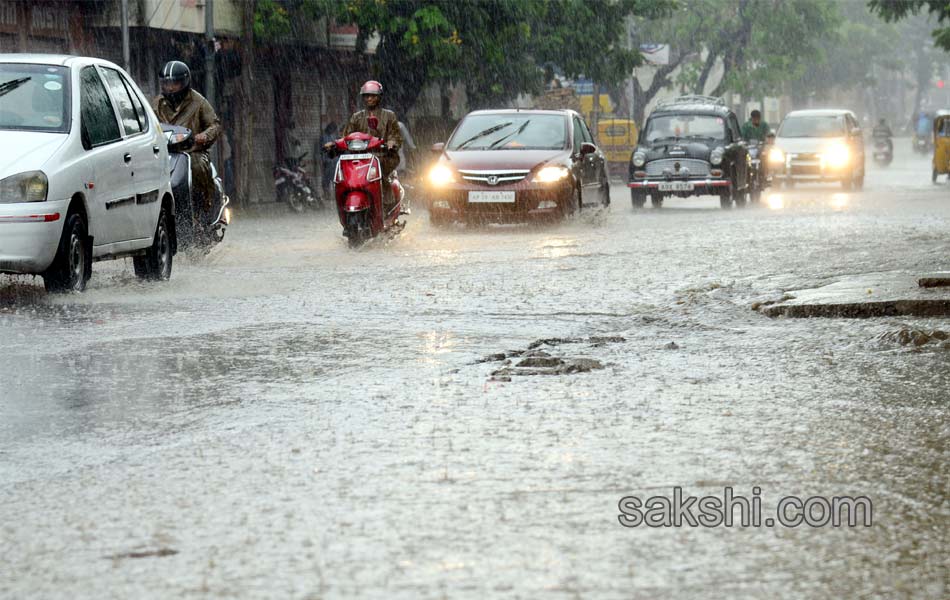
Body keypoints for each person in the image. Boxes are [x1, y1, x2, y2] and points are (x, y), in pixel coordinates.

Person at [151, 60, 221, 212]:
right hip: (165, 153)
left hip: (192, 152)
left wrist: (203, 136)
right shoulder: (156, 104)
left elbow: (214, 125)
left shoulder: (199, 101)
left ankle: (204, 209)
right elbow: (147, 125)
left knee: (197, 168)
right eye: (166, 83)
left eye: (174, 83)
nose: (170, 88)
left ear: (184, 82)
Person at [326, 80, 403, 205]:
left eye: (372, 95)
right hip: (359, 158)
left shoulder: (389, 116)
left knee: (380, 170)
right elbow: (346, 136)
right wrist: (335, 144)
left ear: (379, 97)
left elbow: (395, 136)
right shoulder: (357, 117)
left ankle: (387, 202)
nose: (369, 98)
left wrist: (391, 143)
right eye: (366, 96)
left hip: (383, 156)